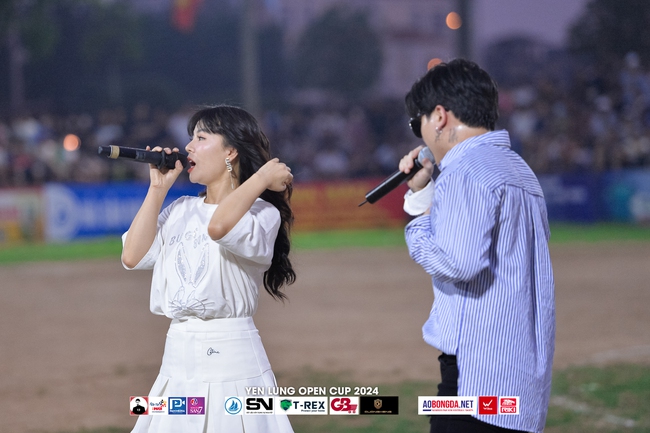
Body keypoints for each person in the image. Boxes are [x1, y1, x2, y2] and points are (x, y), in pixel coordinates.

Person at [398, 59, 555, 433]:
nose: (420, 136)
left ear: (439, 116)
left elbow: (458, 263)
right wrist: (423, 190)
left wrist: (416, 225)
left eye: (417, 124)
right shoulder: (518, 169)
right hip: (518, 378)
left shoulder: (464, 170)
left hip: (477, 377)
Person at [121, 104, 295, 433]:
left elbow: (219, 227)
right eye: (191, 138)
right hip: (177, 359)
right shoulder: (180, 208)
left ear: (231, 151)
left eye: (200, 138)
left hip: (232, 364)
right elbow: (132, 256)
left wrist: (259, 179)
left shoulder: (262, 214)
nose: (188, 147)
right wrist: (158, 188)